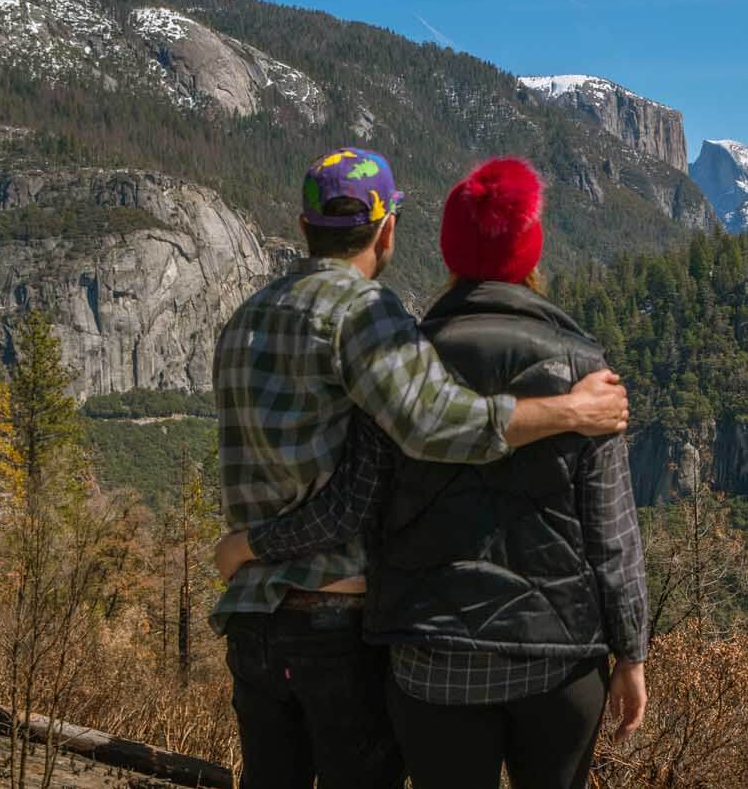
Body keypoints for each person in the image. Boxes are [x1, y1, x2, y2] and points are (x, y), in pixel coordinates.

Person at [218, 157, 648, 789]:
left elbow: (364, 486)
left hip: (317, 633)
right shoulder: (376, 328)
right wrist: (631, 650)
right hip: (523, 649)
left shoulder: (247, 320)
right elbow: (611, 533)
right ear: (387, 229)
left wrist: (250, 545)